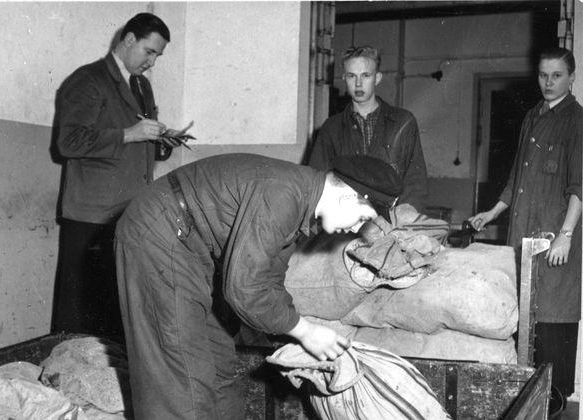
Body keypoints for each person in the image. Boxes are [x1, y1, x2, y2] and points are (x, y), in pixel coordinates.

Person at [115, 153, 402, 419]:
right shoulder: (283, 195)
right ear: (347, 196)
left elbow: (269, 278)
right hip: (162, 232)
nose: (356, 229)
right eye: (362, 218)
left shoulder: (302, 201)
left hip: (191, 243)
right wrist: (304, 331)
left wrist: (293, 327)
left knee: (218, 364)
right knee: (181, 376)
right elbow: (245, 289)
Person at [53, 13, 183, 339]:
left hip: (126, 213)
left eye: (157, 56)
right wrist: (130, 134)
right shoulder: (88, 79)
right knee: (79, 316)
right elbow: (68, 142)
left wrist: (161, 141)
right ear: (128, 40)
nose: (151, 63)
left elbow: (136, 144)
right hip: (90, 216)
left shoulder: (141, 86)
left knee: (114, 311)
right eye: (148, 52)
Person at [469, 47, 582, 411]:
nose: (548, 82)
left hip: (554, 242)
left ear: (572, 78)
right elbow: (515, 179)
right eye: (543, 75)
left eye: (557, 76)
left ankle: (555, 408)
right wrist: (491, 213)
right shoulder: (533, 116)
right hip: (523, 237)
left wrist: (566, 235)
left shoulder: (576, 120)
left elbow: (579, 186)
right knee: (523, 325)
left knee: (552, 323)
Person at [308, 45, 428, 212]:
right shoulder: (331, 128)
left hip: (392, 219)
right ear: (344, 78)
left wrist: (404, 217)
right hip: (346, 219)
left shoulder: (403, 122)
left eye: (365, 75)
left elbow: (415, 181)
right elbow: (316, 182)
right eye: (351, 76)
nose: (358, 83)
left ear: (377, 78)